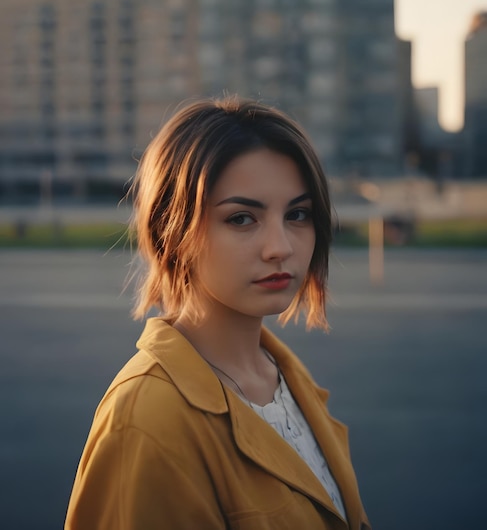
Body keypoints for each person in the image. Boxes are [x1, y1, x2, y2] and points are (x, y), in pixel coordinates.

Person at [65, 96, 371, 530]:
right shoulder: (146, 419)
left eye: (298, 214)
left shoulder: (285, 376)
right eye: (242, 218)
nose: (281, 247)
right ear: (172, 228)